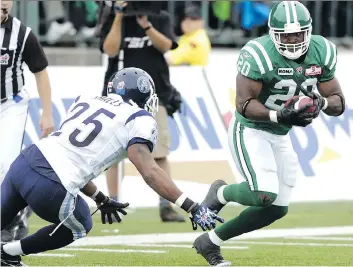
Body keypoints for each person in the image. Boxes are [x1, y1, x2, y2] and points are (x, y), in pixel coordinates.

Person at [0, 68, 224, 267]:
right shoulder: (139, 118)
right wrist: (192, 207)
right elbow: (149, 171)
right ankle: (8, 253)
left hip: (25, 162)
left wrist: (100, 198)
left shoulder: (87, 100)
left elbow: (66, 156)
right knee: (80, 224)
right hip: (49, 184)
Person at [192, 1, 346, 266]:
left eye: (298, 33)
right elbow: (243, 103)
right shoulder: (259, 53)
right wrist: (278, 115)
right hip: (251, 129)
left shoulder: (321, 51)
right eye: (286, 35)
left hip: (279, 133)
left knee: (276, 209)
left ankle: (210, 242)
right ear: (273, 34)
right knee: (263, 194)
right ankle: (221, 193)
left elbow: (338, 101)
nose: (293, 40)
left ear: (308, 31)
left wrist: (319, 103)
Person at [100, 1, 185, 222]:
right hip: (118, 96)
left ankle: (165, 205)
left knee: (159, 152)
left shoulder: (159, 16)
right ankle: (112, 201)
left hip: (154, 95)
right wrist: (118, 16)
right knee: (112, 154)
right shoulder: (112, 16)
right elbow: (110, 49)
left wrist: (146, 25)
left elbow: (166, 46)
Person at [0, 0, 54, 243]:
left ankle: (9, 225)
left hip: (11, 103)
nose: (4, 3)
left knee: (5, 164)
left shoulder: (23, 34)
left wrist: (47, 112)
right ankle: (21, 209)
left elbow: (40, 71)